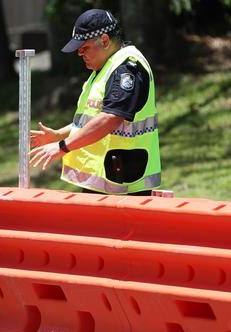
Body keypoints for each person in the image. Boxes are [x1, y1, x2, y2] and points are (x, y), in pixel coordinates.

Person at [29, 9, 161, 195]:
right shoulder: (106, 67)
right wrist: (59, 134)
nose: (79, 53)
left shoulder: (126, 68)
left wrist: (63, 147)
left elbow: (110, 118)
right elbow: (93, 118)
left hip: (124, 184)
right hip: (107, 180)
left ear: (105, 40)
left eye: (84, 47)